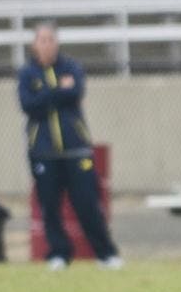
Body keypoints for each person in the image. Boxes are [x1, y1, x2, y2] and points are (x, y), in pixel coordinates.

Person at [17, 22, 122, 270]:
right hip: (43, 151)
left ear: (57, 42)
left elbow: (74, 93)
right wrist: (57, 91)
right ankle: (59, 254)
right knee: (50, 206)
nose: (46, 44)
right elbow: (29, 105)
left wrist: (46, 94)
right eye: (41, 39)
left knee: (87, 203)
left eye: (50, 39)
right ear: (34, 44)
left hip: (76, 149)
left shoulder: (71, 67)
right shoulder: (27, 73)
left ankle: (106, 253)